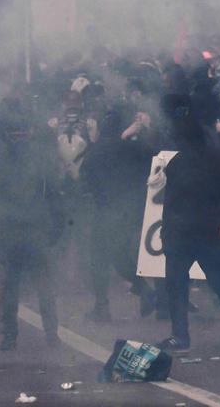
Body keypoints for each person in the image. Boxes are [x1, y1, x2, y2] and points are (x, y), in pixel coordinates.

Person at [158, 112, 220, 354]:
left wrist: (165, 234)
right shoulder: (218, 159)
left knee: (177, 286)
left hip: (182, 234)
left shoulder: (177, 162)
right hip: (207, 232)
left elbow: (171, 202)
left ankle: (180, 337)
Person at [0, 98, 65, 351]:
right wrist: (58, 226)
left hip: (14, 230)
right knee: (43, 286)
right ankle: (51, 335)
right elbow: (53, 194)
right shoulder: (41, 157)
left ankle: (10, 337)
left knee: (11, 287)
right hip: (34, 229)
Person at [81, 110, 156, 322]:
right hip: (130, 209)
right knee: (119, 255)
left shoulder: (98, 150)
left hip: (105, 210)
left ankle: (102, 307)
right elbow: (156, 159)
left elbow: (85, 176)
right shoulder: (132, 147)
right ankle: (144, 290)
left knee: (100, 258)